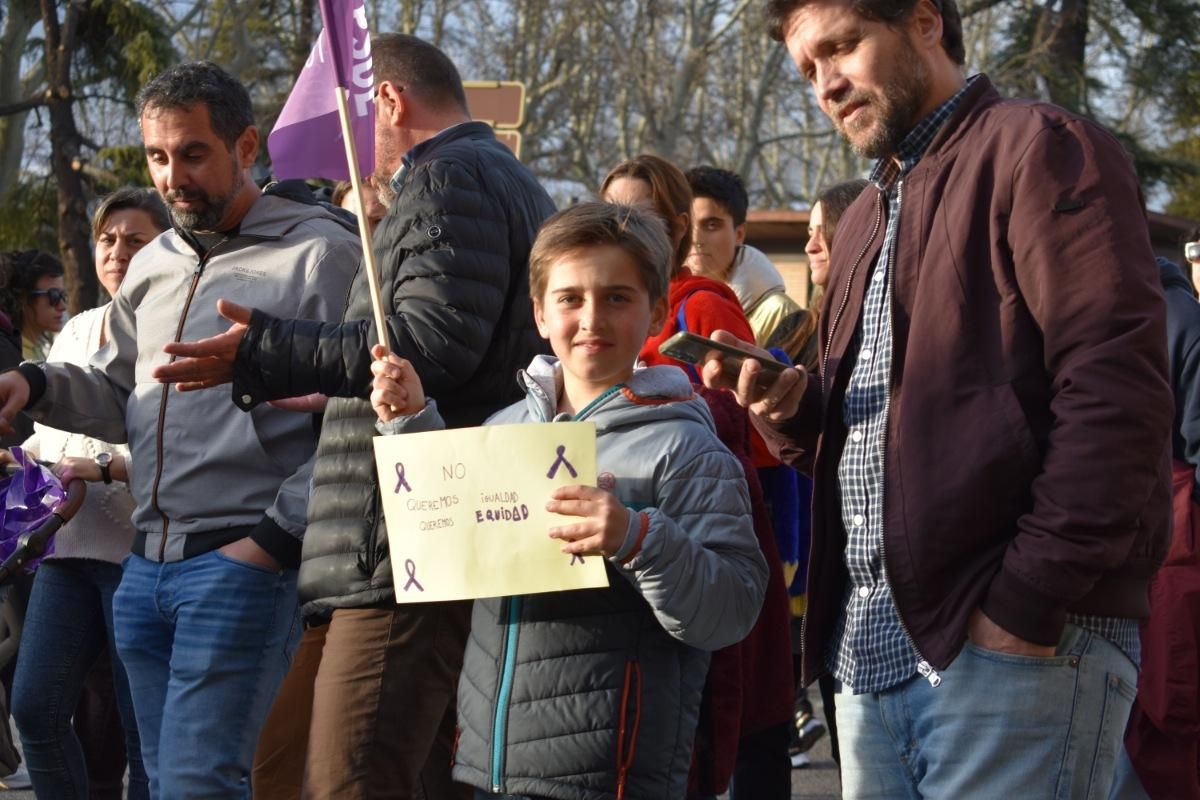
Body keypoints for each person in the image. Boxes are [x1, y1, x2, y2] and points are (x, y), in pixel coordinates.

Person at [702, 0, 1173, 797]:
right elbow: (900, 438)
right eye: (809, 69)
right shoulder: (864, 216)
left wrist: (1027, 602)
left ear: (924, 21)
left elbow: (1115, 395)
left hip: (1016, 646)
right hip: (869, 658)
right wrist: (794, 407)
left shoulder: (1042, 148)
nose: (826, 84)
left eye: (842, 47)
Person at [151, 34, 556, 799]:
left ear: (389, 101)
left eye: (355, 122)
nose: (347, 155)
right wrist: (319, 382)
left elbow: (428, 345)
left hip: (403, 541)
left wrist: (266, 349)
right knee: (302, 770)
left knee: (348, 779)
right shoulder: (495, 176)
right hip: (390, 542)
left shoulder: (448, 175)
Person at [0, 61, 361, 797]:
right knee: (163, 781)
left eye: (193, 153)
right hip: (143, 570)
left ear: (246, 146)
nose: (173, 178)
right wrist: (34, 385)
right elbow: (121, 392)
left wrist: (272, 541)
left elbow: (361, 418)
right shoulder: (156, 259)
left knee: (199, 784)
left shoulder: (322, 254)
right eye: (157, 157)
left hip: (243, 567)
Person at [369, 200, 767, 799]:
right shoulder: (503, 430)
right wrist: (412, 426)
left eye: (617, 297)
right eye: (570, 298)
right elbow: (453, 545)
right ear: (539, 312)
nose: (591, 319)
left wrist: (637, 539)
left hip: (614, 773)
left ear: (657, 312)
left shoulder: (686, 449)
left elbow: (731, 610)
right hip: (489, 766)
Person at [10, 188, 168, 800]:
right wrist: (18, 458)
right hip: (65, 547)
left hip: (138, 558)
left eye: (135, 239)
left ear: (167, 247)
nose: (117, 251)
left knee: (140, 732)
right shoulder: (74, 328)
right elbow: (55, 437)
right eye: (107, 238)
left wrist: (104, 468)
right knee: (34, 710)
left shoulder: (177, 327)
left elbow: (184, 446)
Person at [1108, 255, 1200, 800]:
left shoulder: (1176, 318)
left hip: (1173, 543)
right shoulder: (1146, 311)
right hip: (1145, 541)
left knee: (1166, 698)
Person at [685, 165, 802, 347]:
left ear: (739, 234)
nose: (696, 239)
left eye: (711, 225)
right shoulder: (659, 307)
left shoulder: (780, 313)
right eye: (687, 226)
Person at [0, 251, 65, 448]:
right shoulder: (6, 353)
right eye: (53, 296)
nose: (62, 306)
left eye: (63, 295)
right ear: (23, 297)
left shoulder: (36, 350)